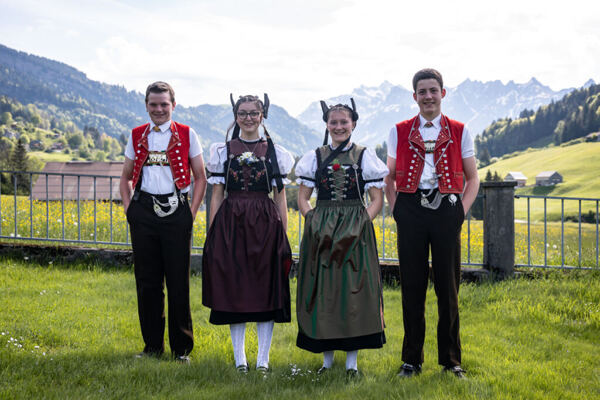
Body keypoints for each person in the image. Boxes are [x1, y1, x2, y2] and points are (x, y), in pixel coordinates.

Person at [384, 68, 480, 379]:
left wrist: (460, 212)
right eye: (422, 92)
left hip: (447, 210)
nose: (428, 96)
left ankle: (451, 361)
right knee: (412, 287)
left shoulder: (459, 129)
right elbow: (389, 176)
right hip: (409, 208)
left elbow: (472, 177)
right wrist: (397, 208)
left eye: (433, 90)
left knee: (448, 288)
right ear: (415, 97)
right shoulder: (398, 130)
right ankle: (411, 361)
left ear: (442, 93)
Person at [202, 94, 294, 375]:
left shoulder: (276, 152)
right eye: (243, 113)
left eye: (254, 113)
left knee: (265, 289)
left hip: (265, 223)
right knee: (234, 289)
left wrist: (283, 235)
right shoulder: (223, 150)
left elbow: (280, 198)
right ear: (235, 115)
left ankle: (263, 360)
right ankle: (240, 358)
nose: (249, 118)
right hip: (231, 222)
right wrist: (213, 233)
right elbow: (216, 194)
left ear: (262, 115)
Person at [295, 99, 387, 377]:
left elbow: (376, 198)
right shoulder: (316, 156)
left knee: (353, 291)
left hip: (355, 231)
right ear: (327, 125)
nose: (338, 127)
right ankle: (326, 362)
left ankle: (352, 364)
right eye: (333, 122)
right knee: (324, 290)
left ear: (353, 124)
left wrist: (359, 224)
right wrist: (313, 222)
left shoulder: (364, 156)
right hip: (321, 230)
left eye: (343, 122)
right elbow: (302, 197)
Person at [119, 81, 207, 363]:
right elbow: (125, 176)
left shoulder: (187, 133)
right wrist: (128, 208)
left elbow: (200, 177)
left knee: (178, 281)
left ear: (173, 105)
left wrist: (190, 214)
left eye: (164, 104)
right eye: (153, 104)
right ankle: (152, 348)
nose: (158, 109)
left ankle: (181, 350)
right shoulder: (136, 135)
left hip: (176, 210)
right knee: (147, 282)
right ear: (146, 105)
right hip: (143, 210)